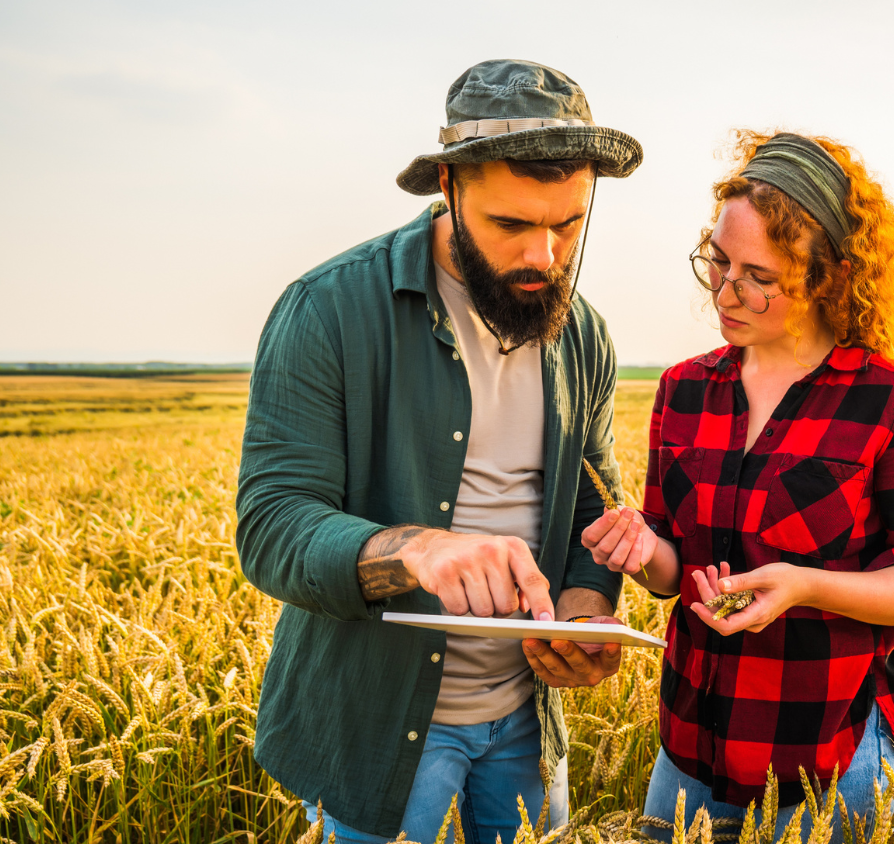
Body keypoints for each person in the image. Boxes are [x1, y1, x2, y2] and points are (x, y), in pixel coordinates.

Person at [235, 60, 643, 844]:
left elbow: (597, 503)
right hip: (373, 732)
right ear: (448, 190)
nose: (545, 258)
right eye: (512, 225)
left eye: (568, 225)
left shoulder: (584, 334)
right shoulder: (327, 309)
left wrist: (590, 608)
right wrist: (417, 552)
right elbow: (272, 527)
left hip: (527, 725)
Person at [580, 131, 894, 840]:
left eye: (758, 276)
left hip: (833, 756)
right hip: (690, 749)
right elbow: (677, 571)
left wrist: (805, 585)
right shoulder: (684, 389)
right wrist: (642, 549)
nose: (725, 293)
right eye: (718, 261)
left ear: (830, 276)